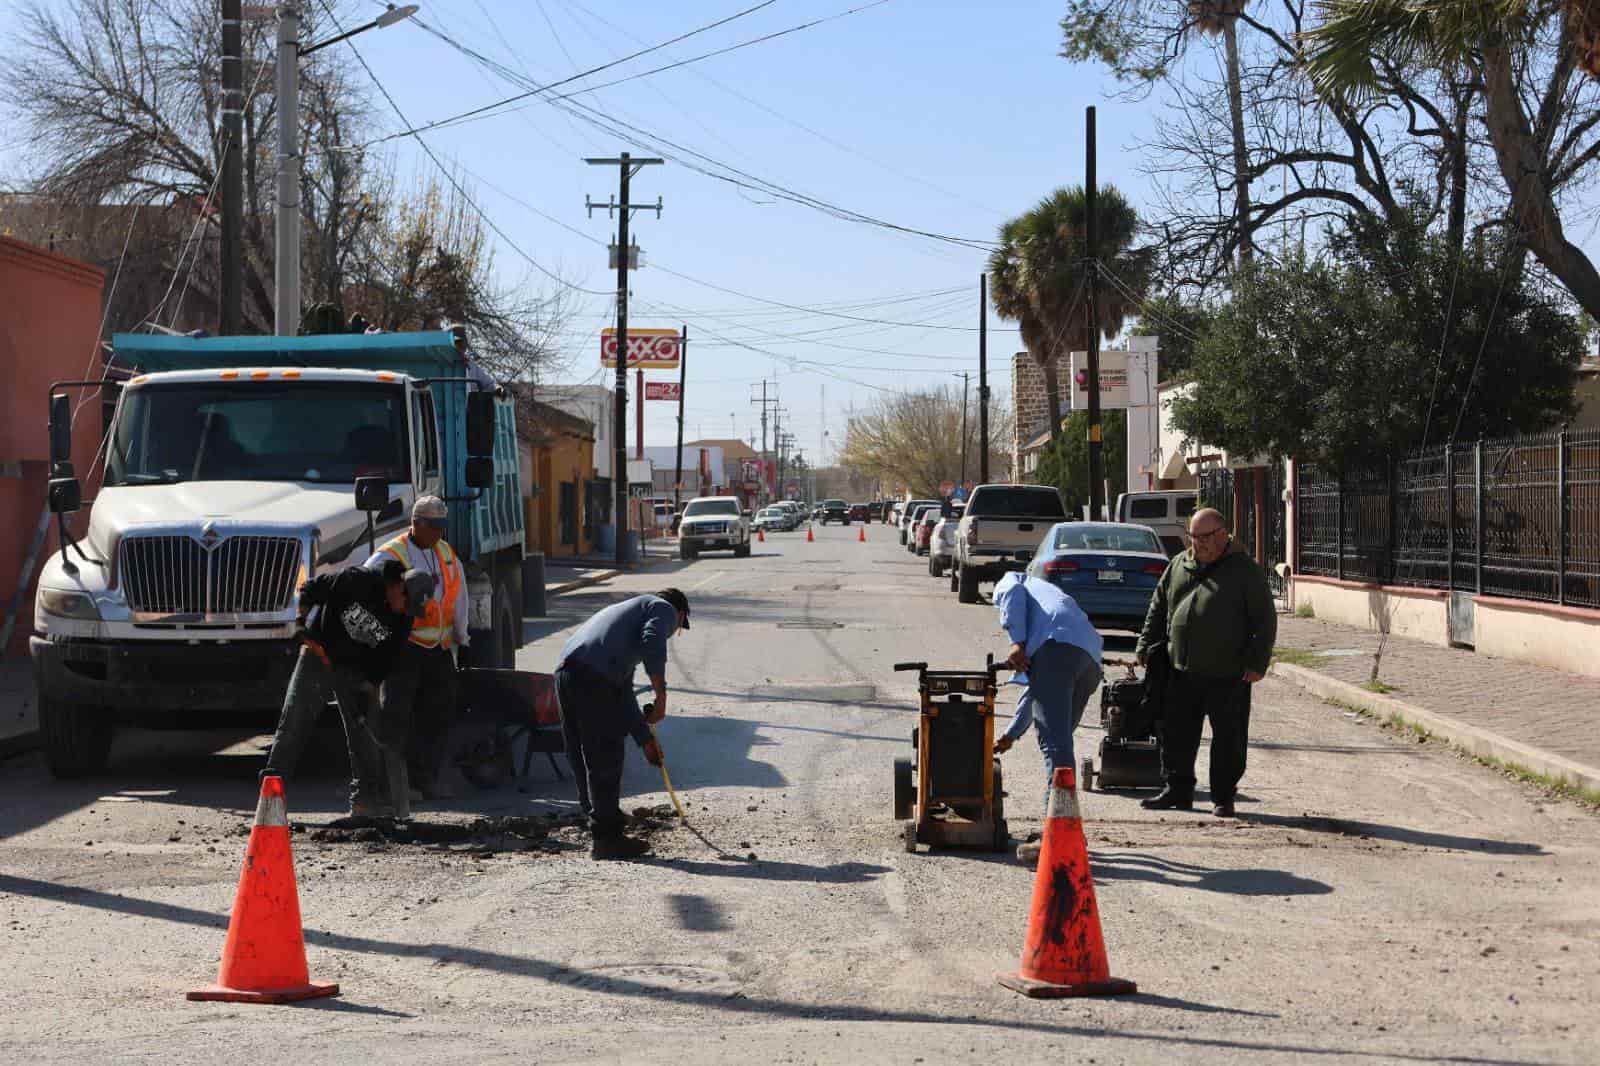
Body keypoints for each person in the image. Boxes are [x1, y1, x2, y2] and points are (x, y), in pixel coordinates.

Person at [1136, 507, 1277, 818]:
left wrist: (1257, 663)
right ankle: (1178, 789)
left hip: (1229, 672)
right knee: (1175, 734)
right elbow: (1158, 607)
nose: (1199, 544)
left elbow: (1265, 621)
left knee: (1229, 737)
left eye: (1205, 537)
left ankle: (1223, 796)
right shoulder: (1178, 565)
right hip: (1180, 669)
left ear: (1223, 534)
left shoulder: (1245, 571)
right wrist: (1146, 644)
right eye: (1194, 537)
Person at [262, 560, 425, 824]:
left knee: (365, 733)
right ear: (398, 588)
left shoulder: (403, 619)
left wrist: (368, 687)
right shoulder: (356, 580)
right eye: (407, 604)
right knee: (294, 723)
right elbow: (311, 588)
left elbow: (387, 660)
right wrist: (301, 623)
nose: (407, 612)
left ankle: (366, 804)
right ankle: (269, 803)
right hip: (318, 657)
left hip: (355, 671)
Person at [554, 589, 691, 860]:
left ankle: (602, 819)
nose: (672, 631)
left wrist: (646, 741)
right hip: (592, 678)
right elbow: (653, 639)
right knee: (606, 753)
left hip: (567, 672)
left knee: (586, 753)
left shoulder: (623, 622)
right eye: (678, 628)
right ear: (680, 614)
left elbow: (623, 694)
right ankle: (607, 840)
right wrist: (661, 696)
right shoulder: (661, 608)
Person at [990, 571, 1104, 864]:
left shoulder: (1012, 580)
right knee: (1061, 742)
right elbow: (1038, 690)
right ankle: (1066, 828)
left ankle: (1058, 836)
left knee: (1057, 748)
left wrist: (1016, 641)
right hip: (1089, 659)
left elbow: (1011, 593)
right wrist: (1012, 734)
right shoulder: (1050, 600)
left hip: (1060, 653)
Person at [367, 495, 470, 802]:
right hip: (405, 648)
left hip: (438, 648)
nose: (440, 532)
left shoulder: (446, 553)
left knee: (437, 716)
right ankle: (395, 785)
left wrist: (461, 638)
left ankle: (428, 780)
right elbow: (368, 593)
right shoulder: (390, 555)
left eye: (442, 526)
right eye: (434, 526)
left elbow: (459, 596)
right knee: (397, 716)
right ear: (416, 523)